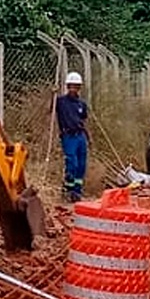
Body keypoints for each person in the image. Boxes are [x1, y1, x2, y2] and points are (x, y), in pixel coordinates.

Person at [55, 72, 89, 202]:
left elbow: (84, 120)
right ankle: (68, 189)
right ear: (68, 87)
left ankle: (77, 191)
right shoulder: (61, 102)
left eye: (76, 87)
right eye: (71, 86)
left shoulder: (81, 104)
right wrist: (53, 94)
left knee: (81, 164)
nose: (73, 89)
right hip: (68, 136)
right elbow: (52, 109)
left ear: (79, 88)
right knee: (72, 163)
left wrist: (87, 137)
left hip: (80, 136)